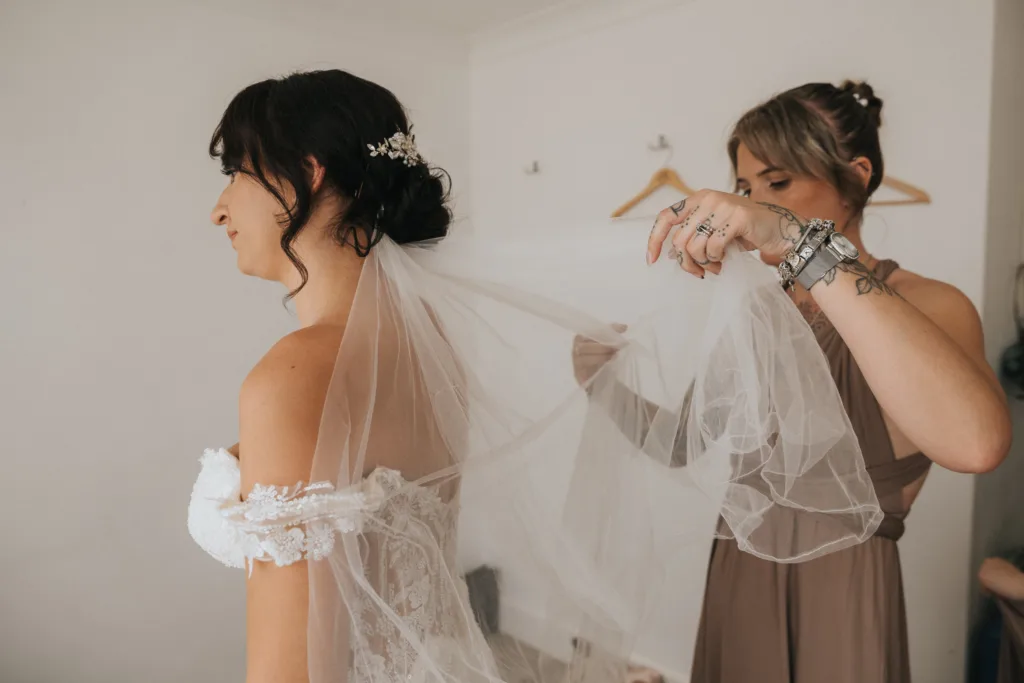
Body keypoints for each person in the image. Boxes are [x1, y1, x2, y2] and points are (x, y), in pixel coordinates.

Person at [574, 81, 1012, 683]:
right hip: (738, 571)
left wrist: (795, 241)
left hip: (844, 591)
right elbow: (681, 445)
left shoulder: (931, 305)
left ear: (855, 176)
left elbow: (977, 443)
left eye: (777, 183)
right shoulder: (758, 312)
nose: (756, 202)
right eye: (747, 187)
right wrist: (602, 382)